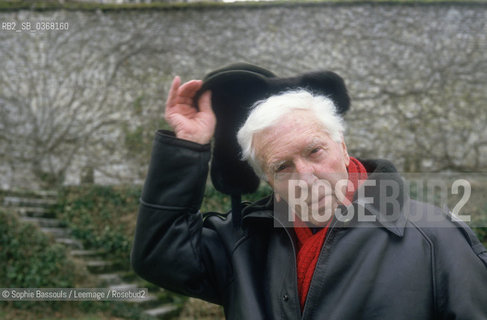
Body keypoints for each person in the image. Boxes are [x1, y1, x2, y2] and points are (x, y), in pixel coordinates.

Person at [131, 75, 487, 319]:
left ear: (343, 149)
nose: (305, 176)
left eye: (315, 151)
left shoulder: (435, 237)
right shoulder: (244, 241)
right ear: (267, 179)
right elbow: (160, 254)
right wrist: (188, 146)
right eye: (283, 167)